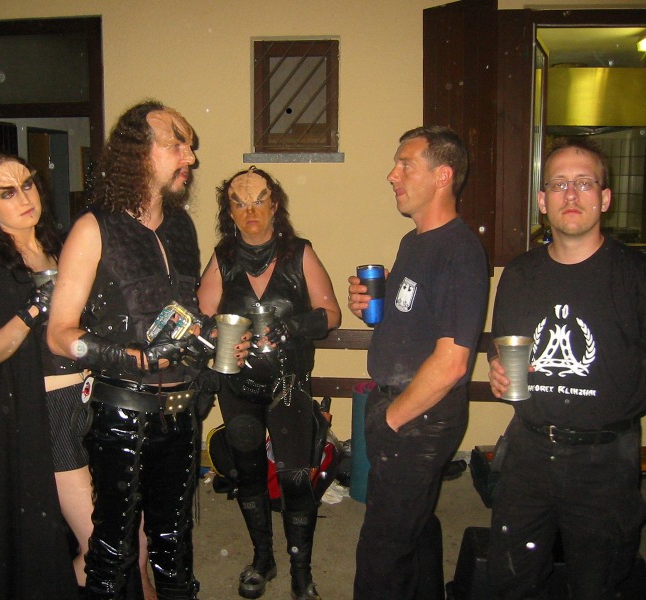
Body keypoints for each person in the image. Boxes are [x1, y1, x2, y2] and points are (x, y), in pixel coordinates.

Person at [47, 100, 241, 600]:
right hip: (120, 412)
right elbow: (60, 333)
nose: (190, 158)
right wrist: (133, 358)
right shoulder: (94, 228)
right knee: (111, 551)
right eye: (177, 144)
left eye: (190, 147)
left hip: (180, 410)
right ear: (138, 152)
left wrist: (216, 343)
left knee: (175, 545)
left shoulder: (181, 227)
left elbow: (183, 315)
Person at [486, 136, 646, 599]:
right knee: (510, 580)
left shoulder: (641, 278)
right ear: (542, 201)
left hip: (606, 461)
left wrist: (622, 384)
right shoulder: (519, 275)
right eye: (558, 184)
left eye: (584, 183)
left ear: (605, 198)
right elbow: (505, 350)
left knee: (596, 583)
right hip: (528, 454)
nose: (571, 194)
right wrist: (499, 371)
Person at [347, 126, 489, 600]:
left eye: (405, 164)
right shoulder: (415, 243)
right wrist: (374, 305)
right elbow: (415, 319)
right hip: (401, 407)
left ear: (443, 175)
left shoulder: (460, 251)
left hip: (420, 416)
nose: (393, 175)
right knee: (414, 526)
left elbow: (452, 363)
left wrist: (392, 419)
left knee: (382, 549)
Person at [198, 167, 342, 600]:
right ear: (229, 211)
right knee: (249, 476)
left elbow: (331, 314)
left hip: (288, 385)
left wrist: (291, 326)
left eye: (259, 200)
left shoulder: (299, 253)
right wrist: (218, 335)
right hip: (238, 388)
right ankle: (263, 558)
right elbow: (202, 319)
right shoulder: (223, 257)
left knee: (296, 478)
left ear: (274, 205)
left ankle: (301, 570)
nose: (251, 211)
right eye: (239, 203)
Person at [0, 153, 79, 600]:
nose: (24, 197)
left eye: (28, 184)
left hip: (87, 399)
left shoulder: (62, 248)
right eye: (7, 192)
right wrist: (33, 310)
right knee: (89, 537)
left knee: (115, 529)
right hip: (39, 412)